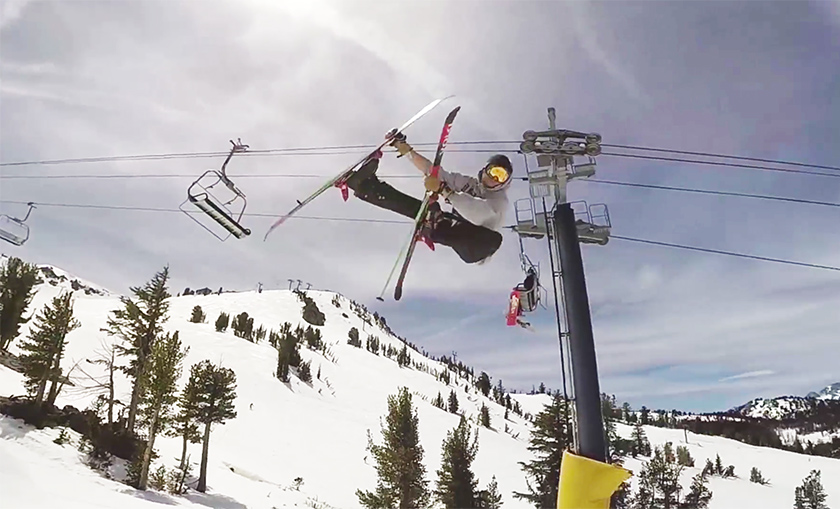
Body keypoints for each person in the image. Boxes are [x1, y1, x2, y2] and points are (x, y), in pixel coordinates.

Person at [344, 132, 513, 264]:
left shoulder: (499, 201)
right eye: (494, 172)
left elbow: (479, 214)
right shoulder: (468, 183)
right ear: (485, 169)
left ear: (504, 183)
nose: (494, 179)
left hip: (473, 246)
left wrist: (444, 191)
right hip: (453, 225)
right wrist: (406, 150)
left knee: (494, 240)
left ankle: (437, 228)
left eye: (501, 177)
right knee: (424, 211)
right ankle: (366, 187)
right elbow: (435, 173)